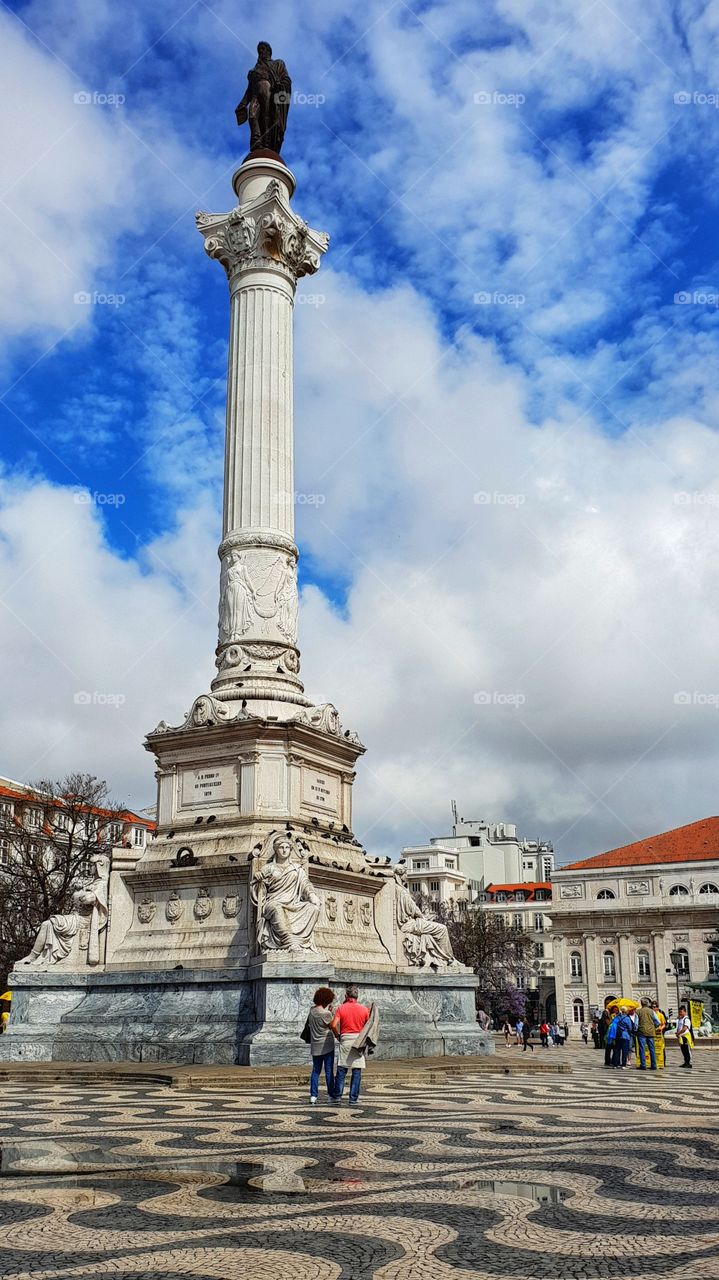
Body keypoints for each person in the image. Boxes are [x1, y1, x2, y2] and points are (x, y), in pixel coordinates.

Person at [332, 985, 370, 1104]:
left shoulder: (341, 1008)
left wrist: (337, 1035)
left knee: (342, 1069)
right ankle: (353, 1098)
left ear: (346, 996)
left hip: (345, 1039)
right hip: (358, 1041)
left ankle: (337, 1096)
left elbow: (333, 1025)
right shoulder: (364, 1009)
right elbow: (368, 1026)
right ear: (357, 996)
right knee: (357, 1070)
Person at [307, 987, 337, 1105]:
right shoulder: (326, 1014)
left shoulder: (311, 1011)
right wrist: (332, 1013)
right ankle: (331, 1094)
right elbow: (332, 1026)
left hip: (315, 1044)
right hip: (327, 1045)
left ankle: (313, 1095)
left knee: (315, 1070)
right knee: (329, 1071)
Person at [635, 998, 659, 1071]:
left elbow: (636, 1023)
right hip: (651, 1032)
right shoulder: (652, 1011)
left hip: (641, 1031)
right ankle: (654, 1065)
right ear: (648, 1004)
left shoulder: (638, 1011)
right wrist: (654, 1026)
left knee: (642, 1048)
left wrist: (635, 1030)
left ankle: (643, 1065)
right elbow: (657, 1022)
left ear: (641, 1004)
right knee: (652, 1048)